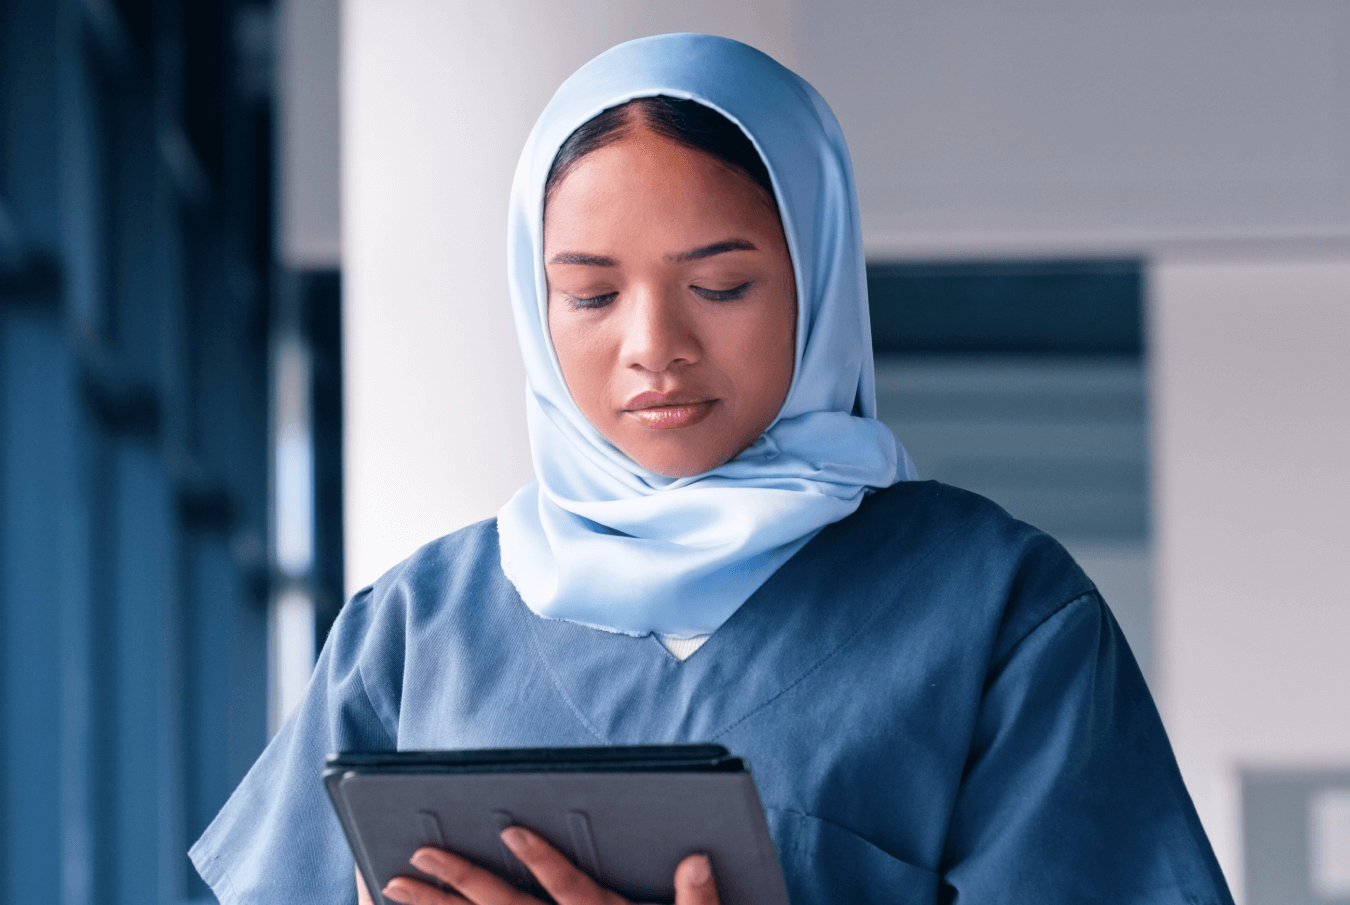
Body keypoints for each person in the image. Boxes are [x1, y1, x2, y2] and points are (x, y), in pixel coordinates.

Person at [190, 33, 1235, 905]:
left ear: (817, 280)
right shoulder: (417, 629)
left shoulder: (1000, 612)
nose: (654, 344)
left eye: (722, 284)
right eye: (592, 296)